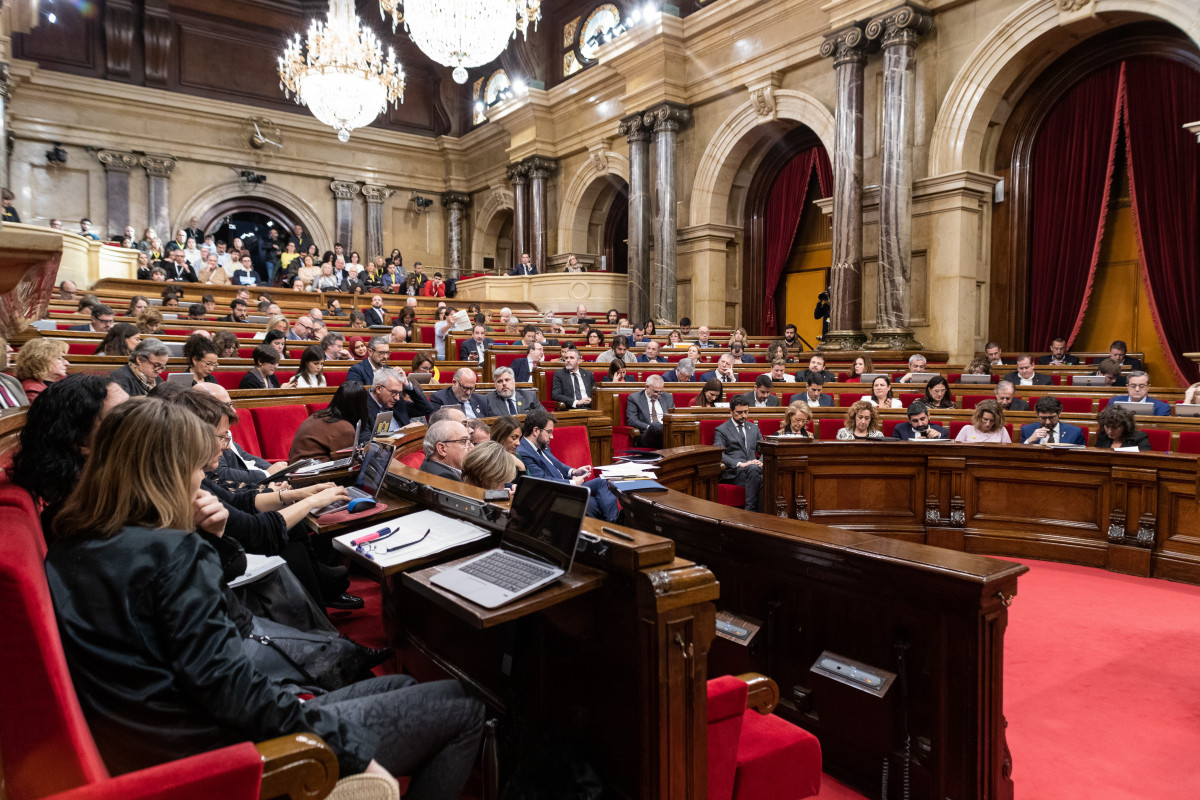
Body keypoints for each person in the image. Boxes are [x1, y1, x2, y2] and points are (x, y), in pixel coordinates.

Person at [46, 398, 483, 791]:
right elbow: (232, 691)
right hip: (225, 755)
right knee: (463, 707)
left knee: (404, 685)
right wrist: (349, 752)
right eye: (198, 470)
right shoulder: (173, 553)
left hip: (163, 735)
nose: (203, 481)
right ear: (168, 471)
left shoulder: (72, 536)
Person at [11, 373, 129, 532]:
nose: (137, 421)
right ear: (81, 442)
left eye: (133, 408)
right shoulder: (83, 514)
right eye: (122, 416)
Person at [515, 410, 620, 521]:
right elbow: (542, 480)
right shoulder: (524, 452)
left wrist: (573, 472)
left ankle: (613, 522)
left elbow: (556, 464)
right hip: (555, 493)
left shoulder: (541, 443)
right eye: (549, 432)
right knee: (594, 504)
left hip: (566, 485)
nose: (552, 437)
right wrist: (573, 483)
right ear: (536, 431)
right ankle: (615, 524)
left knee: (603, 481)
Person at [290, 381, 370, 461]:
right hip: (312, 470)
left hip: (295, 466)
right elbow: (348, 462)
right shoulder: (345, 428)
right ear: (361, 405)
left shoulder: (317, 415)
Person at [713, 397, 763, 511]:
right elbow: (718, 453)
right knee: (760, 478)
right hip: (735, 473)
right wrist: (739, 464)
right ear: (730, 411)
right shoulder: (721, 430)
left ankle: (752, 512)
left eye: (746, 412)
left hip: (754, 470)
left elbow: (765, 450)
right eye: (739, 412)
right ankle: (752, 511)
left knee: (759, 473)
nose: (744, 416)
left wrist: (760, 462)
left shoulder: (754, 428)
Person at [366, 367, 433, 435]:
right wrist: (402, 431)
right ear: (379, 389)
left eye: (399, 393)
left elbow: (426, 409)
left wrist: (407, 385)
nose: (397, 398)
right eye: (393, 392)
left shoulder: (398, 402)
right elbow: (366, 441)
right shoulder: (361, 405)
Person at [626, 375, 674, 449]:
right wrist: (649, 427)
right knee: (655, 426)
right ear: (647, 387)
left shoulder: (668, 397)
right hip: (646, 435)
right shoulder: (635, 398)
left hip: (665, 432)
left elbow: (674, 416)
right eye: (655, 392)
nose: (658, 395)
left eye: (660, 392)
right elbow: (632, 420)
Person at [16, 338, 70, 402]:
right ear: (41, 361)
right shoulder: (32, 391)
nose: (67, 363)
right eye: (60, 358)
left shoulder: (67, 382)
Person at [1020, 396, 1086, 445]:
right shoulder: (1027, 430)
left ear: (1059, 414)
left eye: (1051, 417)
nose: (1047, 422)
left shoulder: (1074, 432)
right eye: (1043, 418)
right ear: (1037, 415)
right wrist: (1029, 441)